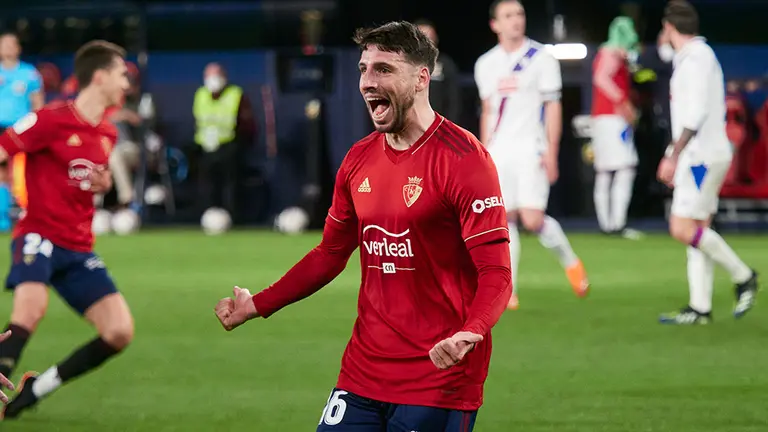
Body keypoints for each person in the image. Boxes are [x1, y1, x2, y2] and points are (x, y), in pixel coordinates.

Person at [214, 21, 511, 431]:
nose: (367, 82)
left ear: (421, 78)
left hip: (438, 375)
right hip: (363, 371)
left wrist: (470, 332)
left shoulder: (464, 159)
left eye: (383, 70)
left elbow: (496, 272)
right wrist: (258, 304)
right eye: (363, 69)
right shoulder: (358, 159)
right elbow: (330, 253)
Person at [0, 40, 135, 419]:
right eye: (123, 75)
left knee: (119, 332)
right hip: (38, 233)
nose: (127, 84)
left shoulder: (107, 133)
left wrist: (105, 186)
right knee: (30, 309)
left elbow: (88, 182)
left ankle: (35, 389)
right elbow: (4, 147)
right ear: (101, 76)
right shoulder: (49, 119)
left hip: (77, 246)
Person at [474, 0, 589, 309]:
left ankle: (572, 263)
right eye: (508, 16)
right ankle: (507, 289)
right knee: (503, 218)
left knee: (533, 218)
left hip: (531, 148)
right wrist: (484, 153)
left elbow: (553, 107)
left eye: (520, 14)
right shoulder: (486, 63)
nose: (516, 20)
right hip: (500, 150)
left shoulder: (542, 57)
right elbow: (488, 110)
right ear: (495, 24)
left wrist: (551, 151)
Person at [656, 1, 758, 325]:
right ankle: (700, 308)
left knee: (682, 227)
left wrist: (673, 154)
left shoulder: (696, 59)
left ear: (669, 27)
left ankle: (744, 276)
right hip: (704, 152)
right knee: (698, 229)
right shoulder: (694, 56)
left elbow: (696, 113)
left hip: (700, 156)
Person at [591, 17, 643, 239]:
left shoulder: (608, 52)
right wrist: (623, 101)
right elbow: (601, 78)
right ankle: (616, 223)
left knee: (605, 170)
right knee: (625, 168)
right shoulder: (612, 52)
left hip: (602, 118)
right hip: (612, 118)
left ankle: (608, 223)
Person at [0, 32, 45, 214]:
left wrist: (38, 126)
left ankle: (28, 212)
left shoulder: (29, 73)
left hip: (21, 129)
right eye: (4, 44)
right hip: (0, 127)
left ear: (19, 48)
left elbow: (38, 103)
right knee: (1, 172)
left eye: (12, 44)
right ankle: (2, 217)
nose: (9, 48)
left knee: (22, 171)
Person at [414, 19, 462, 122]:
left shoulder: (446, 63)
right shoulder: (404, 64)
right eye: (423, 37)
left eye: (431, 36)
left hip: (438, 125)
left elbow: (454, 100)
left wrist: (449, 127)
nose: (428, 40)